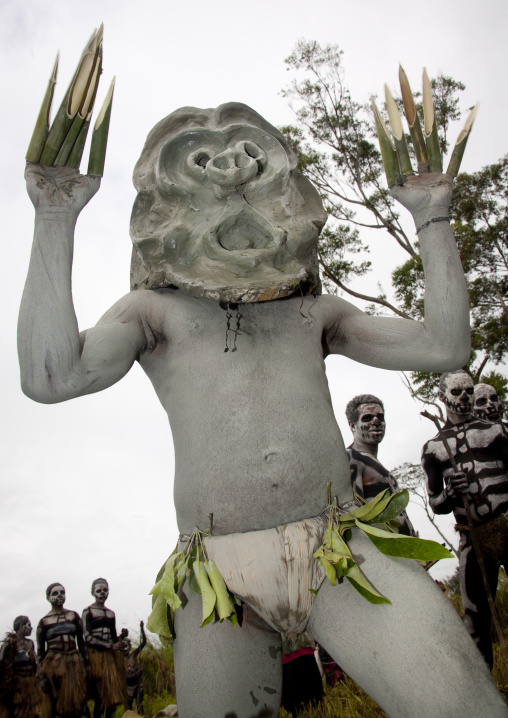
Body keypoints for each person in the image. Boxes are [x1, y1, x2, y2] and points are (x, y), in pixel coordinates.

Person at [19, 99, 508, 717]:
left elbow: (444, 345)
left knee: (463, 706)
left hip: (342, 552)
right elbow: (51, 376)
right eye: (204, 163)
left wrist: (433, 217)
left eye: (248, 158)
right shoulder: (152, 312)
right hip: (217, 577)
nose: (229, 175)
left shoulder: (314, 312)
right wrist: (55, 215)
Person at [422, 369, 508, 669]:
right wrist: (449, 493)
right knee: (475, 617)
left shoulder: (496, 431)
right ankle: (486, 693)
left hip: (506, 524)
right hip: (473, 536)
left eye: (469, 391)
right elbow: (436, 504)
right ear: (442, 397)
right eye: (457, 392)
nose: (465, 398)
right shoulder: (433, 449)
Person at [345, 394, 416, 536]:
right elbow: (353, 513)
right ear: (353, 425)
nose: (376, 421)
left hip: (402, 549)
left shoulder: (373, 461)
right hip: (383, 548)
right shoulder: (352, 458)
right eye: (367, 418)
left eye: (380, 417)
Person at [36, 585, 88, 718]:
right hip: (55, 665)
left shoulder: (73, 616)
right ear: (48, 598)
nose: (59, 595)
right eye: (55, 593)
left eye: (62, 592)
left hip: (74, 662)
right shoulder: (44, 622)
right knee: (57, 702)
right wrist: (42, 677)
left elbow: (81, 643)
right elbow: (40, 653)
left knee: (78, 701)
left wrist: (87, 665)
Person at [82, 580, 126, 718]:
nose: (102, 593)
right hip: (95, 657)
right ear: (93, 592)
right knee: (100, 698)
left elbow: (113, 637)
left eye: (105, 590)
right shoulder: (87, 611)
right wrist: (110, 646)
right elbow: (87, 637)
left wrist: (121, 638)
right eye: (99, 590)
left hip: (109, 658)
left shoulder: (111, 614)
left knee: (112, 700)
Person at [0, 617, 43, 718]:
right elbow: (1, 660)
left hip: (30, 682)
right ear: (20, 626)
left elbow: (34, 665)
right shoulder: (9, 642)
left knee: (32, 711)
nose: (31, 628)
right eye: (28, 625)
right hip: (16, 683)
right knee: (15, 710)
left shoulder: (30, 643)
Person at [120, 623, 146, 714]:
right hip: (127, 688)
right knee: (128, 711)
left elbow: (143, 643)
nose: (126, 649)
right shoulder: (119, 660)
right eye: (124, 646)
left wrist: (142, 629)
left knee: (140, 708)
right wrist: (136, 674)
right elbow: (123, 676)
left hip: (137, 686)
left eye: (127, 646)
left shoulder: (133, 655)